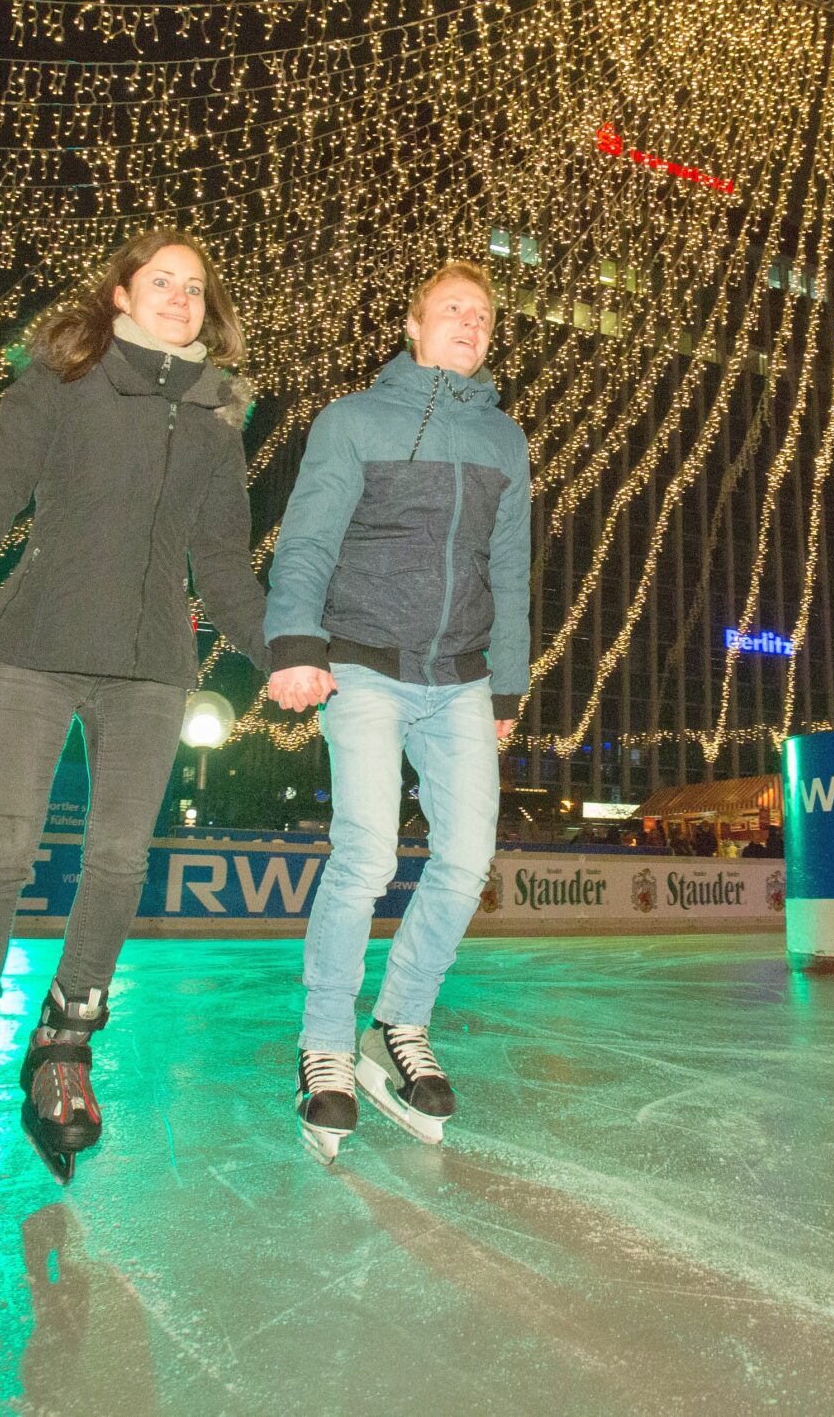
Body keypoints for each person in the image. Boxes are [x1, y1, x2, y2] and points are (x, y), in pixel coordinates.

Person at [0, 230, 267, 1192]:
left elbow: (221, 557)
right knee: (2, 847)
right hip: (36, 649)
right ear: (124, 293)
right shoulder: (63, 378)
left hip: (149, 668)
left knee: (121, 857)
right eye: (161, 280)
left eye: (194, 286)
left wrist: (282, 650)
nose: (180, 295)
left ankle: (66, 1044)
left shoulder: (220, 411)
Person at [265, 259, 531, 1161]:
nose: (471, 322)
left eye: (484, 315)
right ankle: (326, 1045)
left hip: (459, 676)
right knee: (368, 851)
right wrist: (295, 640)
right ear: (412, 327)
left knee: (466, 858)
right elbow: (307, 535)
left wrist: (507, 683)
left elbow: (511, 570)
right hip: (366, 663)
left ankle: (400, 1024)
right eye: (452, 309)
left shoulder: (505, 439)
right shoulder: (352, 420)